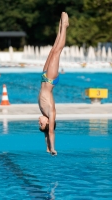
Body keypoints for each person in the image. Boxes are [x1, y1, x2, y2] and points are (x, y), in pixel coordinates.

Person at [38, 12, 69, 155]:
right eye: (41, 124)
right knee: (57, 52)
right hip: (50, 79)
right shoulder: (51, 113)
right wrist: (53, 148)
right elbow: (50, 133)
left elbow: (45, 135)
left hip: (44, 76)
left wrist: (46, 147)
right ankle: (65, 27)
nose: (39, 122)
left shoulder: (44, 112)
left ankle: (60, 27)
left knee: (53, 49)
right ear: (48, 123)